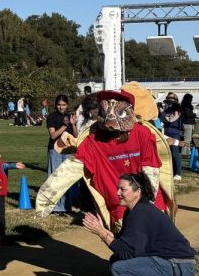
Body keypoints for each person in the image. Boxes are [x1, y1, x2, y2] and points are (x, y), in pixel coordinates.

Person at [36, 89, 165, 229]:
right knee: (128, 242)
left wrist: (149, 198)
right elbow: (73, 167)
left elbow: (150, 167)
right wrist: (47, 197)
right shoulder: (94, 140)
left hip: (150, 202)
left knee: (158, 240)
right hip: (120, 204)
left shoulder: (142, 133)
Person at [82, 172, 195, 276]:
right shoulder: (135, 211)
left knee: (119, 268)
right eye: (118, 189)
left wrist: (101, 233)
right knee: (115, 260)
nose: (117, 193)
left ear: (137, 192)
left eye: (122, 189)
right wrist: (103, 230)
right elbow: (123, 246)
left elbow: (127, 253)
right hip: (174, 265)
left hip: (179, 268)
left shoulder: (141, 213)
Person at [45, 94, 76, 213]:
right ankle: (55, 207)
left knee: (66, 178)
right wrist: (64, 126)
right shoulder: (51, 117)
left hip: (68, 150)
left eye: (63, 105)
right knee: (55, 177)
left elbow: (76, 135)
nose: (61, 107)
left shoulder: (70, 116)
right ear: (55, 105)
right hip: (55, 150)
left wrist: (72, 124)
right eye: (59, 105)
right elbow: (52, 135)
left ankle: (66, 206)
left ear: (67, 105)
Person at [161, 100, 184, 181]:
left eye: (171, 102)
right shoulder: (165, 111)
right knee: (168, 153)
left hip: (175, 133)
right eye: (168, 102)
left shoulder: (178, 111)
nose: (169, 104)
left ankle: (178, 173)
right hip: (166, 133)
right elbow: (163, 118)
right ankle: (172, 171)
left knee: (175, 153)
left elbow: (171, 120)